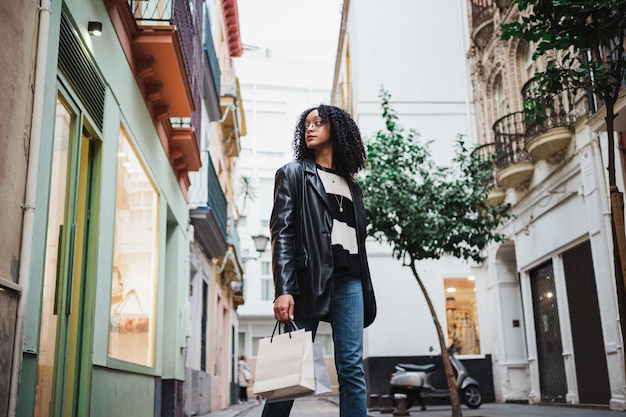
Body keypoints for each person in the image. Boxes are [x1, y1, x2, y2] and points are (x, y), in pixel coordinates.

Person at [262, 104, 377, 417]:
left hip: (350, 281)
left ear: (337, 131)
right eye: (307, 124)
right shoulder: (294, 174)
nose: (310, 128)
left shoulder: (353, 186)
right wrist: (284, 288)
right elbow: (282, 233)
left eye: (319, 123)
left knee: (352, 368)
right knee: (290, 367)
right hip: (307, 280)